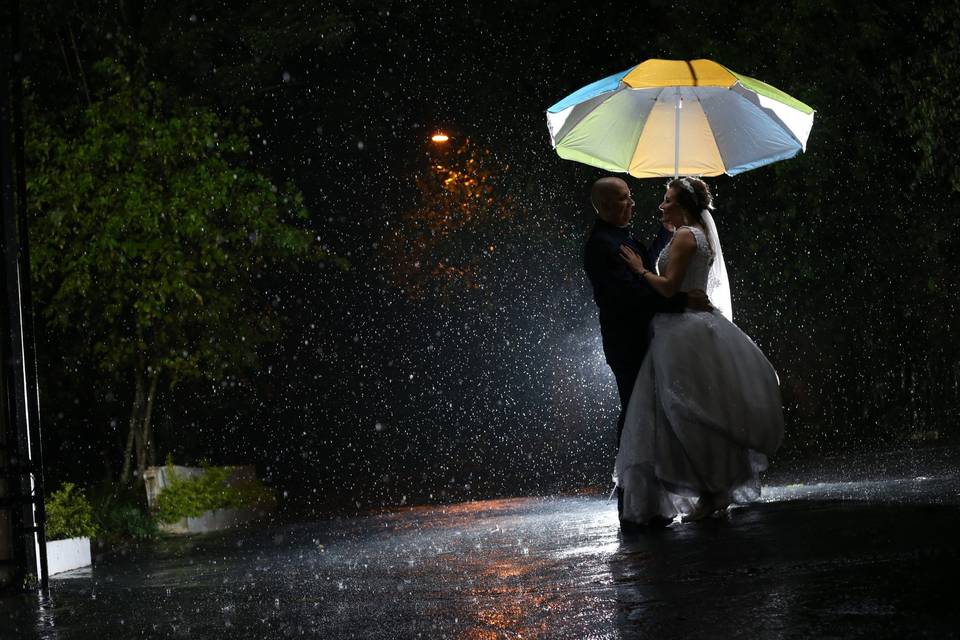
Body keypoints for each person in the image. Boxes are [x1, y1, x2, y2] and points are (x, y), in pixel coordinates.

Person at [615, 176, 784, 526]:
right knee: (699, 408)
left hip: (681, 331)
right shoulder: (698, 235)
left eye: (668, 199)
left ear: (684, 205)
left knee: (685, 410)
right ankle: (712, 489)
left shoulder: (685, 236)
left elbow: (668, 287)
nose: (661, 205)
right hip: (695, 325)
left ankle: (710, 491)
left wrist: (640, 270)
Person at [582, 177, 709, 530]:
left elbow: (646, 268)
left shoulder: (621, 236)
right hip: (628, 341)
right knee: (635, 415)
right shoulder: (600, 245)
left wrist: (663, 234)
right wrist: (682, 300)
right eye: (625, 199)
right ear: (606, 206)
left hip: (648, 336)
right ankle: (632, 505)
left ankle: (650, 500)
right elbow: (628, 293)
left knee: (650, 415)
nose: (632, 204)